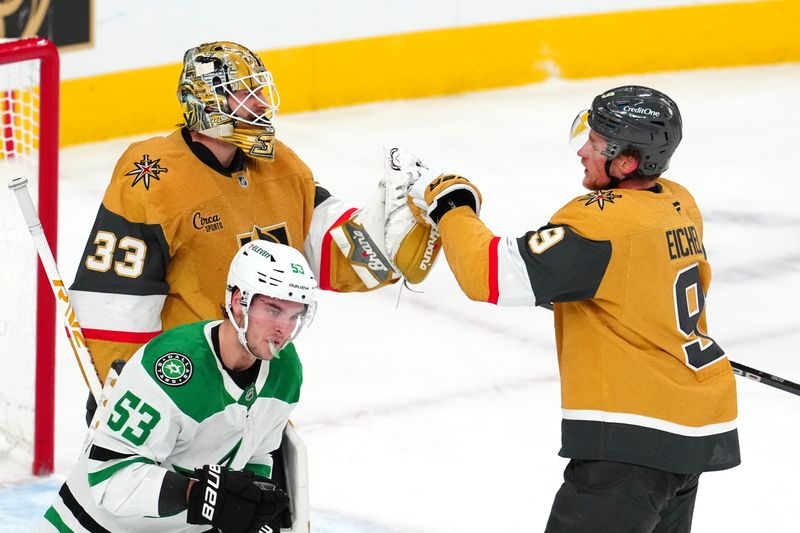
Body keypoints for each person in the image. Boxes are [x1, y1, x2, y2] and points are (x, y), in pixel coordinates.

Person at [403, 85, 740, 532]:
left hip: (632, 443)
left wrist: (451, 204)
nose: (583, 149)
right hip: (687, 433)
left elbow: (489, 275)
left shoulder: (602, 223)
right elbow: (633, 281)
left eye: (597, 144)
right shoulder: (678, 202)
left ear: (627, 161)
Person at [69, 41, 438, 421]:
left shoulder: (282, 166)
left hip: (259, 387)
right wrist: (124, 387)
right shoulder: (153, 176)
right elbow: (115, 301)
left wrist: (394, 235)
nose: (262, 103)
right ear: (206, 101)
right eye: (245, 92)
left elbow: (333, 251)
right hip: (178, 390)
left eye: (261, 90)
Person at [42, 240, 315, 532]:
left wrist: (251, 507)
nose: (283, 329)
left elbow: (258, 453)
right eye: (273, 310)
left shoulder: (285, 372)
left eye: (294, 315)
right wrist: (198, 496)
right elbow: (109, 477)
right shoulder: (172, 367)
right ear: (238, 301)